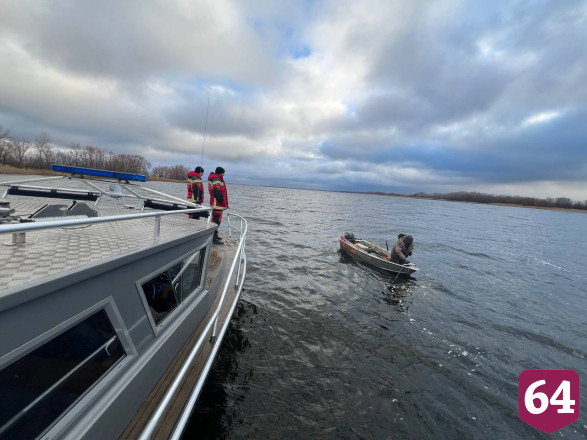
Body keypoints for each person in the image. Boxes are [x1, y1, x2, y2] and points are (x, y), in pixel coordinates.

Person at [208, 166, 228, 244]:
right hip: (217, 204)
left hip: (216, 204)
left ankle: (215, 235)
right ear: (220, 173)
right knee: (216, 221)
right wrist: (222, 200)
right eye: (223, 173)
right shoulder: (216, 180)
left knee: (216, 220)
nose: (224, 175)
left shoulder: (215, 179)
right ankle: (213, 237)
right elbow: (217, 192)